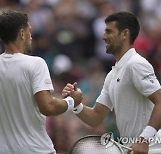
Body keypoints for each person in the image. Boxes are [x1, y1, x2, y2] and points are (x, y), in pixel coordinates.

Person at [0, 10, 82, 154]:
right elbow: (47, 106)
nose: (31, 36)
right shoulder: (36, 63)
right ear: (22, 33)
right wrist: (72, 101)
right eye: (29, 31)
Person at [62, 11, 161, 154]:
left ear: (125, 34)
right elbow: (96, 117)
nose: (103, 37)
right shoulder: (112, 75)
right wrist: (76, 105)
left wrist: (143, 140)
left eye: (109, 31)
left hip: (154, 148)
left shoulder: (136, 64)